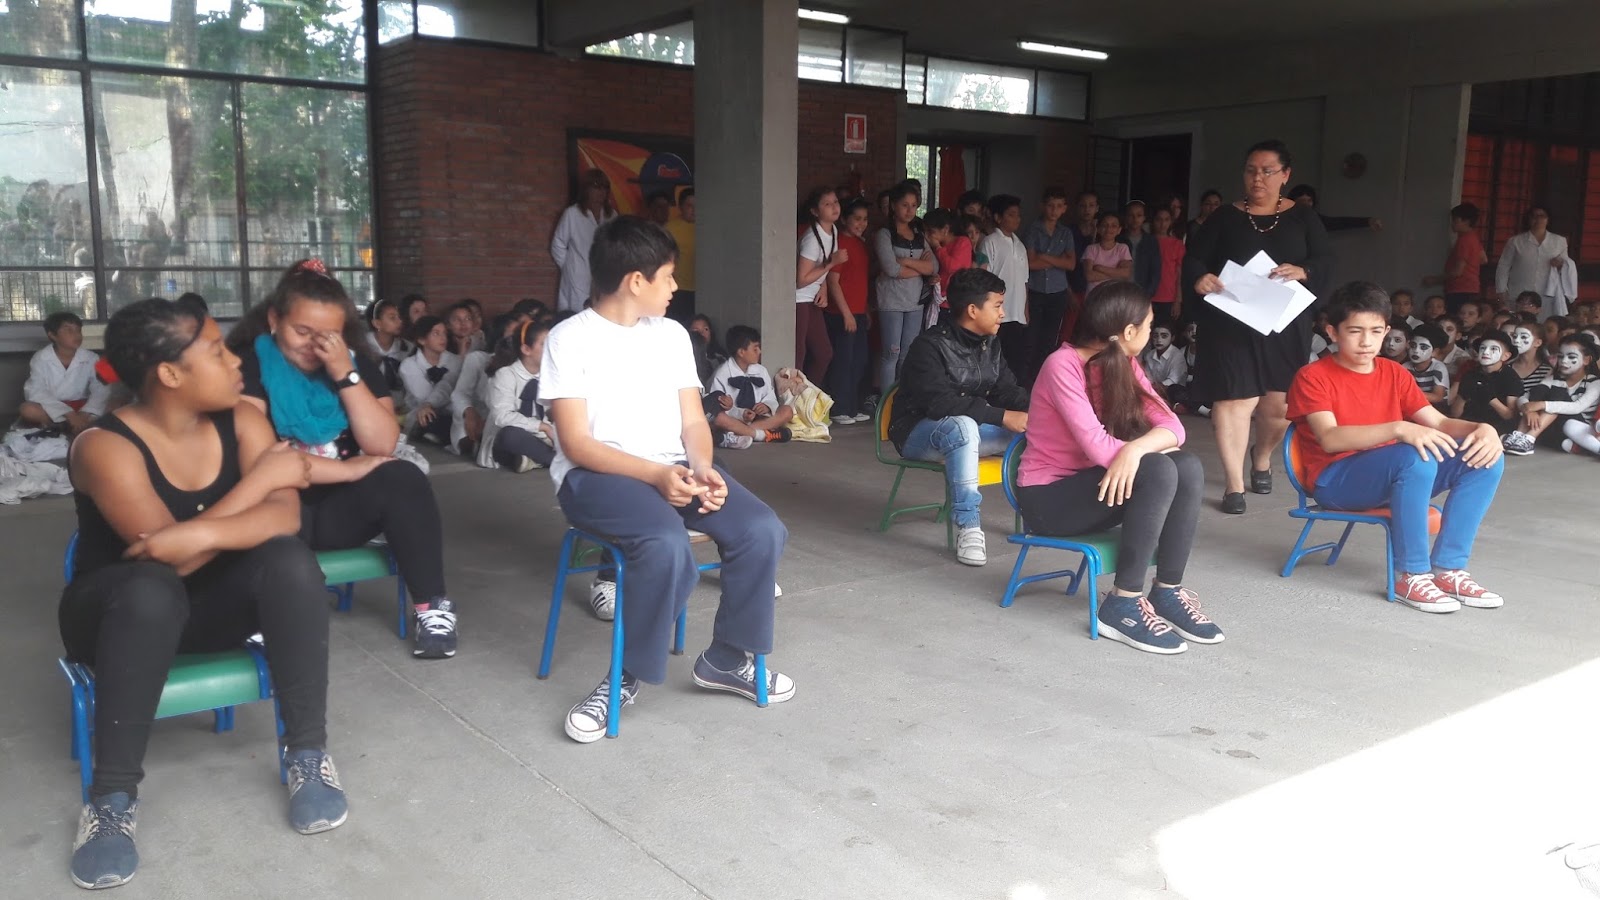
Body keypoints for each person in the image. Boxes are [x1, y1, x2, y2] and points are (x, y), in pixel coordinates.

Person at [62, 297, 344, 890]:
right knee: (152, 587)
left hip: (208, 605)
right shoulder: (103, 446)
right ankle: (110, 800)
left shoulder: (243, 419)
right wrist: (257, 483)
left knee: (289, 560)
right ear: (170, 374)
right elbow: (170, 563)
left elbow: (285, 517)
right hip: (116, 620)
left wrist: (197, 533)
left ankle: (307, 755)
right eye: (217, 352)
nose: (236, 361)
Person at [540, 215, 793, 744]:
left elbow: (694, 422)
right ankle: (625, 678)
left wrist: (702, 466)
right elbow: (576, 444)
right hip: (597, 476)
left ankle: (727, 658)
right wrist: (656, 475)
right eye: (669, 276)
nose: (676, 286)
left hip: (674, 467)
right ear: (636, 280)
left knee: (760, 529)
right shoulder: (569, 339)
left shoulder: (672, 335)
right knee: (664, 544)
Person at [228, 260, 457, 659]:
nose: (314, 346)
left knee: (403, 477)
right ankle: (266, 611)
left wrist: (345, 374)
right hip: (279, 509)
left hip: (339, 511)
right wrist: (348, 469)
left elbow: (382, 442)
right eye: (302, 332)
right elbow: (263, 462)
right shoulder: (248, 366)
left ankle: (432, 607)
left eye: (327, 336)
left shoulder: (355, 363)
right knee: (271, 497)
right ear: (274, 320)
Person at [1020, 281, 1220, 654]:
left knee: (1187, 465)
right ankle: (1122, 604)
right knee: (1158, 469)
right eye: (1148, 326)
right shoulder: (1062, 365)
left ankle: (1167, 592)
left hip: (1098, 486)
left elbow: (1173, 427)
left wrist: (1135, 450)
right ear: (1129, 332)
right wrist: (1136, 453)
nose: (1150, 333)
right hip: (1049, 499)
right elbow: (1097, 447)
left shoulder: (1124, 364)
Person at [1287, 281, 1505, 613]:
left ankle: (1449, 569)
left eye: (1376, 331)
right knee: (1413, 456)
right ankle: (1411, 575)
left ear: (1386, 331)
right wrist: (1399, 428)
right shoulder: (1312, 376)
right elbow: (1330, 438)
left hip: (1398, 473)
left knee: (1485, 459)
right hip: (1337, 481)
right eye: (1355, 331)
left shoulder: (1394, 373)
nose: (1366, 341)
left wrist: (1483, 429)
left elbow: (1439, 422)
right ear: (1332, 332)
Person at [1185, 139, 1335, 514]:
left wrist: (1305, 270)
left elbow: (1326, 259)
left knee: (1277, 406)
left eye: (1267, 171)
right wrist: (1200, 277)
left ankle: (1262, 455)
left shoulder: (1303, 217)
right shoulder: (1224, 216)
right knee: (1233, 398)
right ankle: (1234, 485)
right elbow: (1194, 258)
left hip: (1283, 323)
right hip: (1230, 322)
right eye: (1251, 170)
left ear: (1285, 175)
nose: (1257, 178)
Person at [888, 268, 1029, 567]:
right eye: (997, 305)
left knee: (1035, 430)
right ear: (973, 310)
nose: (1003, 313)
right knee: (962, 427)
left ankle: (1037, 512)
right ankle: (969, 526)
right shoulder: (929, 346)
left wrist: (1041, 412)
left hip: (968, 432)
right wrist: (1002, 416)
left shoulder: (990, 343)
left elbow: (1006, 390)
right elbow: (939, 403)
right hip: (917, 433)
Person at [874, 183, 937, 392]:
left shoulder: (918, 234)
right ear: (893, 205)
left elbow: (934, 267)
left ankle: (902, 400)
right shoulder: (885, 234)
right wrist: (921, 268)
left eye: (913, 206)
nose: (910, 210)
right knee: (891, 354)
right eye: (904, 205)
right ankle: (886, 402)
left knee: (907, 355)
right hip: (891, 302)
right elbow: (891, 269)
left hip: (915, 303)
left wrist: (905, 261)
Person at [1502, 333, 1599, 455]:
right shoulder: (1554, 378)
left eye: (1571, 357)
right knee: (1541, 390)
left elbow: (1577, 407)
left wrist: (1541, 405)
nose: (1564, 361)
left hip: (1578, 425)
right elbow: (1525, 396)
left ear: (1586, 360)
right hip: (1553, 425)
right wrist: (1528, 411)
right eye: (1561, 356)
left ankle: (1530, 438)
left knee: (1557, 394)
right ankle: (1519, 434)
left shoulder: (1594, 382)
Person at [482, 318, 555, 472]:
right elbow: (502, 416)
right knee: (510, 435)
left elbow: (553, 412)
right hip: (515, 437)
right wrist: (541, 426)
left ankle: (534, 461)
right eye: (544, 344)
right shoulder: (506, 374)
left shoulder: (550, 376)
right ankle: (556, 460)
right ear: (526, 349)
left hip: (544, 437)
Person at [20, 311, 110, 436]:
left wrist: (85, 412)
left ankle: (75, 425)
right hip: (54, 407)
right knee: (27, 409)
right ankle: (68, 426)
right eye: (69, 330)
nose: (76, 335)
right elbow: (36, 390)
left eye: (78, 330)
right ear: (53, 335)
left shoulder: (92, 357)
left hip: (83, 406)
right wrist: (68, 413)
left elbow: (101, 388)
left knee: (116, 403)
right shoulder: (41, 358)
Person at [825, 198, 873, 425]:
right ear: (844, 219)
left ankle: (851, 407)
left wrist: (865, 310)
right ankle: (839, 408)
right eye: (857, 219)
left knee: (859, 361)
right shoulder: (840, 244)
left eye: (865, 219)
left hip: (859, 312)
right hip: (841, 314)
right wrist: (846, 314)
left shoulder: (860, 244)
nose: (861, 223)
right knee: (843, 362)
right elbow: (833, 281)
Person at [1022, 187, 1077, 384]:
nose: (1054, 210)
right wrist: (1058, 260)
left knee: (1050, 340)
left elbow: (1071, 264)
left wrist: (1044, 256)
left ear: (1064, 209)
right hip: (1035, 291)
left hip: (1057, 292)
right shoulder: (1032, 229)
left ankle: (1043, 381)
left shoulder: (1066, 232)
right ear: (1042, 206)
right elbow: (1030, 263)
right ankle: (1027, 383)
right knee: (1031, 340)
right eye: (1051, 205)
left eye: (1059, 206)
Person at [707, 325, 794, 444]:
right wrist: (740, 413)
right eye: (755, 349)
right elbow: (714, 408)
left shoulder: (761, 371)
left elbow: (770, 396)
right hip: (734, 419)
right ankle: (763, 435)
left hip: (759, 420)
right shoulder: (721, 374)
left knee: (787, 411)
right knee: (719, 419)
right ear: (741, 352)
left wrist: (766, 405)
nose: (759, 352)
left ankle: (740, 433)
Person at [978, 194, 1031, 385]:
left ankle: (1013, 394)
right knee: (995, 358)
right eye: (1011, 214)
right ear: (998, 218)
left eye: (1018, 215)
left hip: (1017, 313)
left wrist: (1025, 310)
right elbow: (984, 278)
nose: (1017, 219)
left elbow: (1024, 281)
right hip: (997, 313)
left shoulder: (1020, 245)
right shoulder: (990, 242)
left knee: (1015, 359)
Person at [796, 186, 844, 386]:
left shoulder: (833, 230)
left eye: (835, 202)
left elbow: (820, 269)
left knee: (824, 353)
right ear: (815, 211)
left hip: (812, 296)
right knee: (798, 353)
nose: (834, 207)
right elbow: (800, 279)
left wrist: (823, 287)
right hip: (799, 299)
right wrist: (831, 263)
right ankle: (792, 399)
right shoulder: (811, 239)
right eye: (827, 204)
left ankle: (808, 395)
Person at [551, 169, 616, 312]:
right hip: (577, 277)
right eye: (596, 187)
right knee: (576, 315)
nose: (601, 192)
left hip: (603, 276)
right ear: (586, 189)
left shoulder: (611, 215)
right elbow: (558, 244)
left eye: (604, 188)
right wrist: (570, 267)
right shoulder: (572, 214)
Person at [398, 315, 461, 445]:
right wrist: (431, 403)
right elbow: (424, 397)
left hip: (451, 411)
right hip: (423, 412)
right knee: (428, 417)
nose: (443, 338)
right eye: (436, 333)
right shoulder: (409, 365)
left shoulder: (455, 361)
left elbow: (455, 389)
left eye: (444, 333)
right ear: (421, 340)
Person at [1495, 206, 1572, 309]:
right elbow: (1503, 267)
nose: (1538, 219)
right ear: (1529, 219)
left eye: (1542, 216)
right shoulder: (1515, 241)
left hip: (1548, 294)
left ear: (1548, 219)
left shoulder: (1559, 241)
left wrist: (1560, 264)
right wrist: (1501, 291)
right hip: (1519, 293)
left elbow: (1566, 266)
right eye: (1534, 216)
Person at [1450, 332, 1522, 434]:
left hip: (1496, 431)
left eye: (1493, 349)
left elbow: (1511, 416)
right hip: (1468, 426)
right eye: (1483, 348)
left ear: (1505, 356)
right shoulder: (1470, 374)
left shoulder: (1511, 378)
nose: (1486, 352)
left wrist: (1490, 398)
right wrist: (1463, 396)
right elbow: (1455, 414)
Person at [363, 298, 413, 405]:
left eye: (399, 317)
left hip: (401, 405)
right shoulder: (362, 347)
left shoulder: (407, 348)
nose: (399, 321)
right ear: (377, 323)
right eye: (392, 318)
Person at [1287, 184, 1382, 232]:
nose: (1306, 205)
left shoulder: (1315, 220)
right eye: (1302, 201)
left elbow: (1339, 223)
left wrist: (1367, 221)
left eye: (1309, 201)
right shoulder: (1284, 218)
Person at [1149, 206, 1187, 325]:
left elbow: (1180, 274)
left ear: (1171, 222)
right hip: (1147, 296)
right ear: (1153, 221)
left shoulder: (1177, 244)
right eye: (1159, 219)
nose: (1162, 224)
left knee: (1165, 332)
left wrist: (1178, 300)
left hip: (1169, 297)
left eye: (1166, 220)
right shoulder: (1146, 242)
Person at [665, 188, 696, 324]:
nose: (693, 210)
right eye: (689, 205)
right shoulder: (670, 228)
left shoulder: (707, 227)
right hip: (678, 288)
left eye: (697, 206)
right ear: (681, 207)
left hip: (702, 288)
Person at [1120, 200, 1162, 300]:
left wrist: (1148, 293)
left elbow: (1155, 271)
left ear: (1144, 217)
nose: (1135, 219)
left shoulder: (1151, 241)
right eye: (1131, 215)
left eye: (1139, 215)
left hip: (1142, 291)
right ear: (1126, 217)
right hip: (1120, 291)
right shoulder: (1119, 239)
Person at [1083, 212, 1133, 293]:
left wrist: (1099, 268)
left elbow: (1126, 273)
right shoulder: (1091, 249)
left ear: (1119, 230)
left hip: (1115, 295)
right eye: (1104, 225)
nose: (1109, 229)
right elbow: (1089, 276)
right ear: (1098, 228)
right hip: (1094, 295)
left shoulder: (1122, 248)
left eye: (1114, 226)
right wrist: (1116, 274)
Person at [1404, 323, 1451, 406]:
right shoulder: (1405, 367)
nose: (1416, 351)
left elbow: (1437, 397)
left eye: (1423, 347)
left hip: (1436, 408)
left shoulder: (1438, 367)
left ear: (1434, 352)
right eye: (1413, 345)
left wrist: (1410, 393)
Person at [1139, 322, 1187, 399]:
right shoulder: (1150, 355)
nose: (1159, 340)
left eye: (1164, 336)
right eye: (1155, 336)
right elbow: (1148, 378)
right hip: (1155, 391)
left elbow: (1172, 381)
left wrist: (1154, 387)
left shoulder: (1177, 356)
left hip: (1174, 395)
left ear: (1172, 338)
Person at [1508, 322, 1550, 393]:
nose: (1516, 340)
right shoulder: (1506, 367)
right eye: (1514, 336)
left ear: (1538, 343)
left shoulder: (1546, 372)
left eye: (1523, 337)